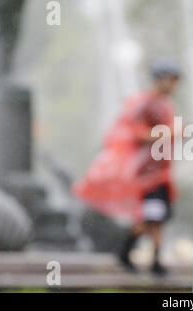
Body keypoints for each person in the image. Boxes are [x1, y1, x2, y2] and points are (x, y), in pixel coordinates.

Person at [72, 60, 181, 274]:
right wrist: (171, 133)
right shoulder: (146, 104)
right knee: (151, 217)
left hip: (159, 174)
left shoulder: (164, 103)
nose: (174, 85)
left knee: (156, 218)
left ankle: (150, 260)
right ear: (161, 79)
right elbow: (138, 134)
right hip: (148, 175)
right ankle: (130, 255)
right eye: (172, 80)